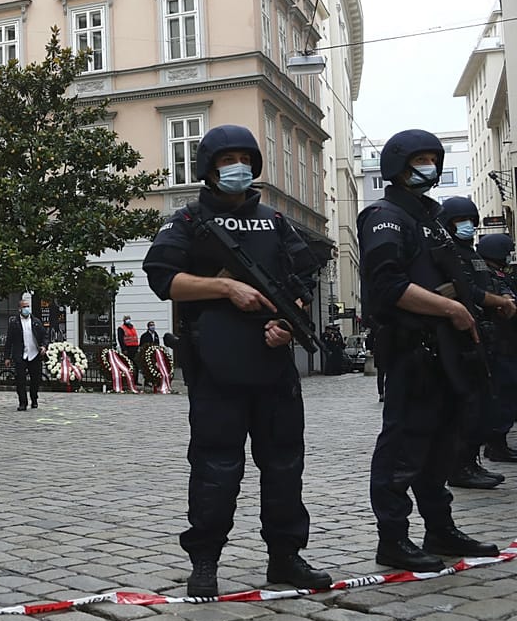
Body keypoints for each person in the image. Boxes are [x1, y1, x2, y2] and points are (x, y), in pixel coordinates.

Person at [142, 124, 332, 597]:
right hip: (217, 363)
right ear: (208, 168)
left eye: (245, 159)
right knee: (216, 468)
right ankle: (205, 560)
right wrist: (225, 287)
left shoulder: (275, 221)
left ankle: (285, 556)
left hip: (273, 362)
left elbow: (302, 281)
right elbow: (163, 278)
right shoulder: (187, 221)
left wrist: (288, 322)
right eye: (227, 161)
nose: (238, 168)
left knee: (284, 465)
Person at [358, 129, 501, 572]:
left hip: (445, 353)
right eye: (419, 159)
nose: (429, 167)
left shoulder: (429, 217)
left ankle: (440, 528)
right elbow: (387, 285)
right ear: (397, 165)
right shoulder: (385, 216)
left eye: (432, 159)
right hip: (413, 351)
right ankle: (393, 538)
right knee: (403, 449)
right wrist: (451, 309)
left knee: (442, 447)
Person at [437, 197, 516, 489]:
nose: (468, 225)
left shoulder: (471, 255)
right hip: (464, 338)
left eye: (471, 219)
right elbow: (464, 290)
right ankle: (460, 467)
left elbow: (483, 287)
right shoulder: (449, 253)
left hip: (485, 336)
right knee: (468, 406)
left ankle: (470, 462)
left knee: (482, 404)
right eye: (461, 221)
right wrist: (498, 302)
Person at [478, 233, 517, 465]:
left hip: (504, 343)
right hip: (499, 345)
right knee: (504, 394)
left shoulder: (498, 274)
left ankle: (496, 442)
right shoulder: (486, 274)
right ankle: (496, 444)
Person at [6, 299, 46, 411]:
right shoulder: (14, 323)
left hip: (34, 354)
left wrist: (44, 346)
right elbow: (9, 341)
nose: (26, 309)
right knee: (20, 380)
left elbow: (44, 336)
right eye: (24, 307)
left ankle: (34, 399)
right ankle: (23, 402)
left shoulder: (36, 321)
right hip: (21, 355)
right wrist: (7, 357)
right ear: (20, 309)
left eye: (28, 306)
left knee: (35, 379)